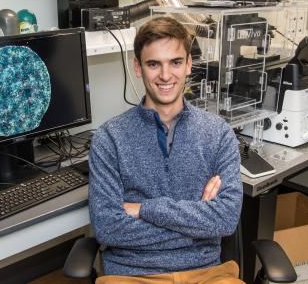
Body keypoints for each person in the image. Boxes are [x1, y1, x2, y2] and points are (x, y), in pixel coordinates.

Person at [88, 16, 243, 284]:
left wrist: (144, 209)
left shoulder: (218, 134)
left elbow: (226, 220)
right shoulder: (109, 138)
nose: (165, 75)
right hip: (134, 274)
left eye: (175, 62)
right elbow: (108, 228)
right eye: (153, 64)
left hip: (206, 272)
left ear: (189, 65)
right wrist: (199, 224)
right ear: (137, 67)